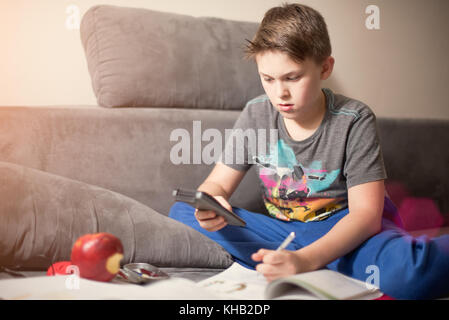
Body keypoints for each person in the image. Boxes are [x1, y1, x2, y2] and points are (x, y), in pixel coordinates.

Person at [169, 3, 449, 299]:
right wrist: (210, 201)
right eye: (268, 79)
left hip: (350, 232)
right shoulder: (255, 114)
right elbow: (217, 184)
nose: (280, 93)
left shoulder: (354, 119)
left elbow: (366, 216)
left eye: (292, 77)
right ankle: (308, 260)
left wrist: (305, 260)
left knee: (414, 273)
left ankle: (314, 259)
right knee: (183, 211)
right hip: (286, 231)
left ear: (325, 67)